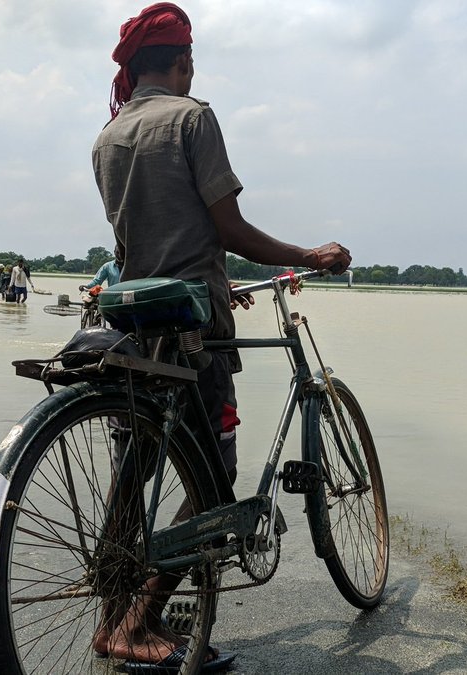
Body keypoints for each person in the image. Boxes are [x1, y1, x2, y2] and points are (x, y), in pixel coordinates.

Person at [91, 3, 351, 669]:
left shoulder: (110, 135)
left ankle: (109, 614)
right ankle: (140, 618)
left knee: (135, 472)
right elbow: (228, 229)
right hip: (193, 323)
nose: (191, 72)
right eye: (190, 63)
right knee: (214, 477)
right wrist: (311, 254)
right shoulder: (192, 117)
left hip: (131, 321)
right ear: (179, 64)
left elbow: (145, 237)